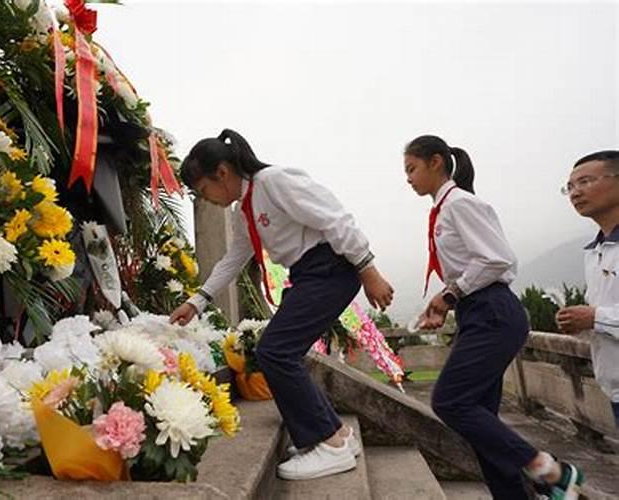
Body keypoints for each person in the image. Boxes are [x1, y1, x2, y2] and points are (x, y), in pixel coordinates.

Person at [169, 128, 394, 480]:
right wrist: (197, 301)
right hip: (309, 274)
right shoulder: (243, 210)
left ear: (222, 173)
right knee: (279, 350)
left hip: (331, 267)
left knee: (276, 351)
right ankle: (337, 436)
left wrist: (369, 270)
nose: (206, 198)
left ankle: (329, 443)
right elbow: (234, 258)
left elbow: (334, 218)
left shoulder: (273, 182)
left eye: (203, 190)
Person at [406, 135, 584, 500]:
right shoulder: (444, 210)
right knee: (479, 423)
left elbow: (498, 259)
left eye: (411, 169)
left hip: (494, 312)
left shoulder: (459, 204)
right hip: (478, 312)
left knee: (450, 402)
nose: (408, 179)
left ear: (435, 162)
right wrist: (446, 302)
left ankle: (550, 471)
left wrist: (452, 293)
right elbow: (472, 268)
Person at [557, 150, 619, 428]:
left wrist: (594, 317)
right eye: (570, 187)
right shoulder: (594, 252)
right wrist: (580, 323)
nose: (575, 192)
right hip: (613, 389)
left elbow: (601, 316)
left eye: (585, 182)